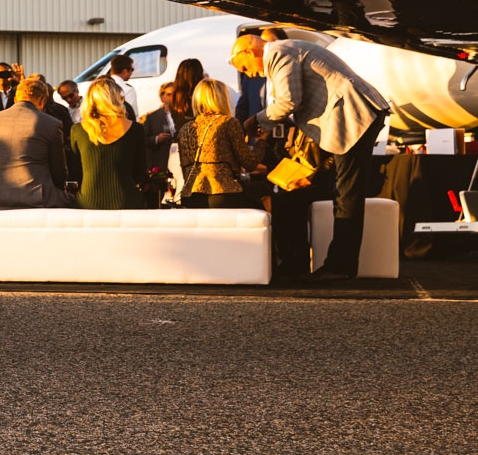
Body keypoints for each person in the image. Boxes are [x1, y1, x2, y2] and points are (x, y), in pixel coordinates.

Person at [230, 33, 388, 281]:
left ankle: (341, 267)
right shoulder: (287, 50)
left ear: (248, 52)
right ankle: (327, 264)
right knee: (342, 192)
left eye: (244, 68)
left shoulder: (279, 53)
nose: (250, 75)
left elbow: (287, 101)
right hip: (349, 117)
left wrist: (256, 122)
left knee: (347, 194)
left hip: (352, 117)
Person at [0, 75, 73, 216]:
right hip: (38, 200)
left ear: (15, 99)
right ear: (43, 100)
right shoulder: (52, 124)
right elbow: (59, 175)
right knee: (77, 203)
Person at [177, 79, 266, 208]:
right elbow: (250, 164)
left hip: (190, 197)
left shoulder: (185, 129)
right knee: (262, 191)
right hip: (222, 194)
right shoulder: (228, 123)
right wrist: (262, 141)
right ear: (222, 98)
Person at [69, 78, 152, 210]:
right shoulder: (135, 129)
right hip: (126, 201)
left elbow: (75, 173)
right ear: (117, 98)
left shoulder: (78, 130)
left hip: (88, 203)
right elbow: (139, 173)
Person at [140, 81, 186, 187]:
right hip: (162, 163)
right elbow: (144, 139)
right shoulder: (152, 117)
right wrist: (156, 139)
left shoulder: (184, 115)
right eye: (169, 94)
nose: (172, 97)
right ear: (161, 97)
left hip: (181, 162)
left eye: (175, 94)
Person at [104, 52, 140, 118]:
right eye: (132, 69)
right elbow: (132, 115)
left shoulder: (101, 87)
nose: (132, 72)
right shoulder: (128, 90)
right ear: (125, 71)